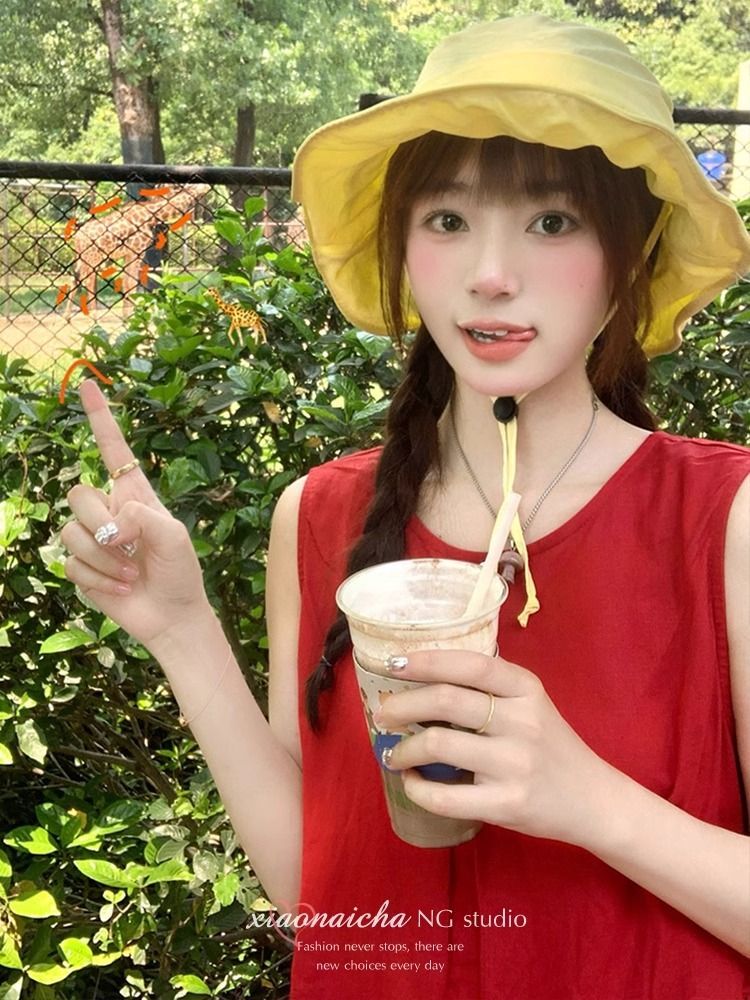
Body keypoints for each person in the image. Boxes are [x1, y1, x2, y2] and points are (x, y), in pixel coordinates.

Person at [61, 15, 750, 1000]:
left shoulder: (725, 520)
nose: (490, 274)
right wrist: (180, 628)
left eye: (553, 221)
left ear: (629, 254)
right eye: (447, 219)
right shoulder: (320, 516)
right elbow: (318, 892)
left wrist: (586, 798)